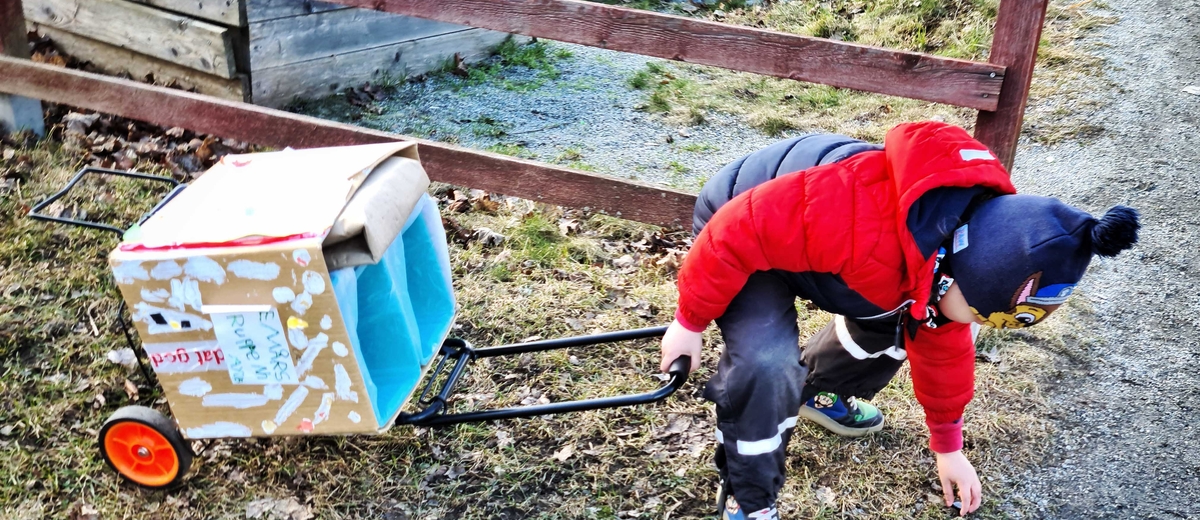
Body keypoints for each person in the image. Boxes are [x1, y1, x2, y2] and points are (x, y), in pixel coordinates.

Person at [657, 121, 1140, 520]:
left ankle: (816, 389)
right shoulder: (855, 212)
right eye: (975, 313)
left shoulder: (954, 263)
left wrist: (948, 447)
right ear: (955, 276)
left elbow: (945, 352)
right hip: (742, 220)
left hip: (824, 255)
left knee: (906, 323)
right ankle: (749, 500)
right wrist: (690, 320)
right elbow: (739, 229)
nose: (969, 325)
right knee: (765, 363)